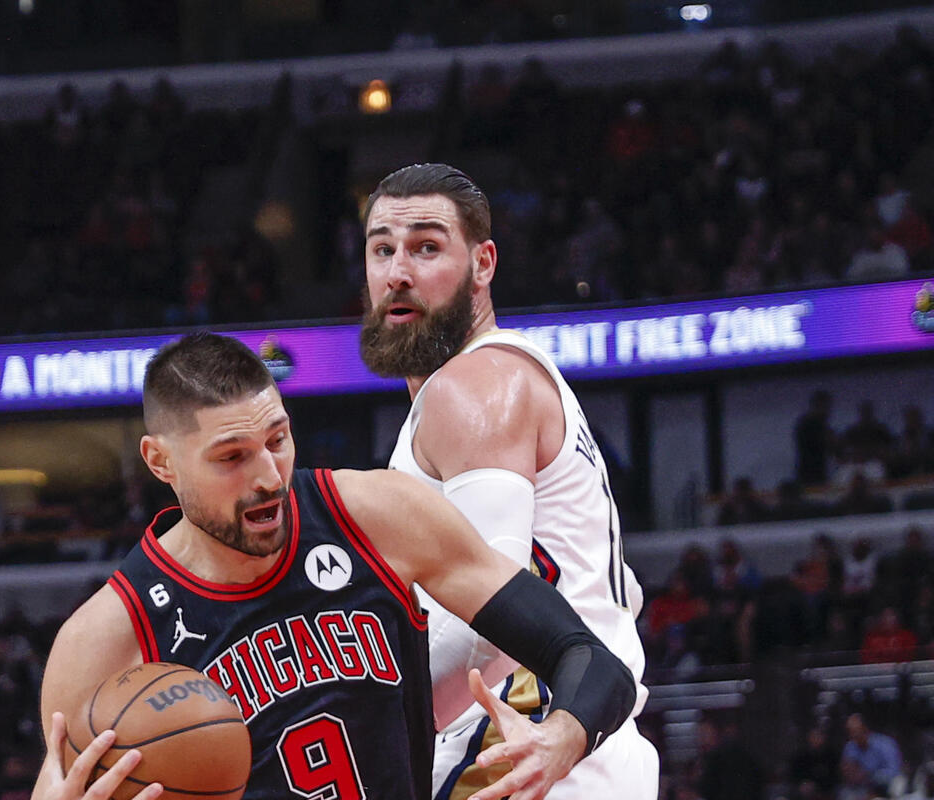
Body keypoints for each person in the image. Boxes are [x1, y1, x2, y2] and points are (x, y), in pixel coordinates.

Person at [33, 333, 636, 800]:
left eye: (277, 440)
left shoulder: (375, 515)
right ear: (160, 462)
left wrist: (562, 737)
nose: (268, 476)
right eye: (232, 457)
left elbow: (588, 656)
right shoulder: (106, 636)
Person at [359, 163, 658, 800]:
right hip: (567, 751)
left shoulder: (474, 387)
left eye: (426, 247)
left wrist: (360, 735)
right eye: (382, 249)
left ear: (483, 263)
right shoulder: (490, 382)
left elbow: (484, 628)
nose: (398, 272)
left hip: (522, 751)